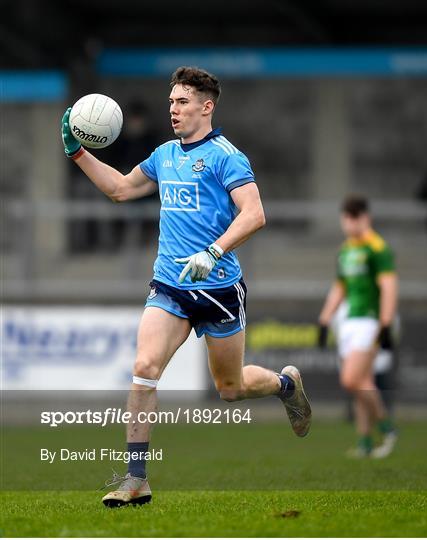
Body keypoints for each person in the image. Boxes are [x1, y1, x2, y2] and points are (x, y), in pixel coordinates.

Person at [60, 66, 312, 507]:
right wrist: (78, 153)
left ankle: (285, 385)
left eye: (182, 102)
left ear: (206, 106)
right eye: (171, 102)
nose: (173, 109)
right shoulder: (164, 155)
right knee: (144, 366)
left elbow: (254, 214)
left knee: (230, 389)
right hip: (171, 286)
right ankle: (136, 479)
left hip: (218, 287)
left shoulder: (226, 157)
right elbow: (120, 189)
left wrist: (212, 252)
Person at [318, 195, 398, 458]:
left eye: (355, 217)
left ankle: (387, 428)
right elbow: (340, 287)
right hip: (349, 321)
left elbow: (388, 287)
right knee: (362, 382)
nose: (350, 223)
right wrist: (325, 318)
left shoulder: (378, 248)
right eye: (346, 218)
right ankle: (365, 442)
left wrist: (386, 323)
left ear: (366, 217)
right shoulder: (346, 250)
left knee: (351, 379)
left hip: (370, 320)